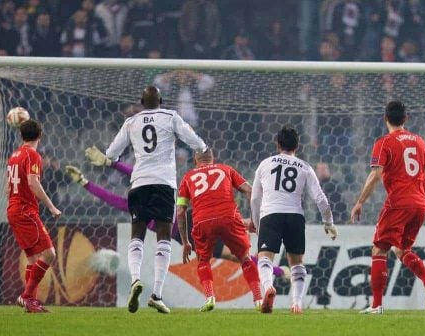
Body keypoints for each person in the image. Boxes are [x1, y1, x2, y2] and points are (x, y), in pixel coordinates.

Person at [64, 160, 291, 278]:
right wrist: (86, 182)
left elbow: (122, 188)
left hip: (189, 229)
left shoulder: (141, 202)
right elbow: (115, 195)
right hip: (191, 226)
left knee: (237, 253)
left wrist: (104, 168)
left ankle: (280, 269)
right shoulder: (149, 195)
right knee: (236, 244)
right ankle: (278, 266)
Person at [91, 86, 207, 314]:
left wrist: (109, 158)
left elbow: (112, 154)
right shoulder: (170, 116)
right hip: (164, 184)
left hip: (139, 182)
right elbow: (193, 140)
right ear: (161, 100)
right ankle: (156, 295)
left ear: (141, 101)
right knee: (164, 236)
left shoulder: (131, 122)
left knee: (138, 235)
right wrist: (203, 148)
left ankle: (135, 280)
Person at [350, 101, 425, 314]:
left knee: (379, 248)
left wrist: (360, 202)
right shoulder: (419, 141)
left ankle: (377, 306)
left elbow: (375, 175)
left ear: (385, 119)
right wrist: (418, 194)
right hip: (420, 205)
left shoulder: (384, 143)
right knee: (402, 249)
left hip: (398, 203)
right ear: (406, 118)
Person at [251, 126, 338, 314]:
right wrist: (328, 222)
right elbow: (320, 198)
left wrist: (257, 223)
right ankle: (297, 303)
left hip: (270, 215)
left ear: (277, 144)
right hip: (295, 216)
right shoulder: (305, 167)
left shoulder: (265, 164)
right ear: (297, 146)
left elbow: (255, 198)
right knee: (297, 263)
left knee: (264, 258)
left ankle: (268, 288)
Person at [176, 148, 262, 312]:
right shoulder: (226, 169)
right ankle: (258, 299)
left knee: (203, 260)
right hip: (229, 217)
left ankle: (210, 297)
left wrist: (186, 241)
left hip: (202, 221)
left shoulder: (188, 177)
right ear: (212, 158)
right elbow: (250, 190)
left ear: (195, 160)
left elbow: (180, 211)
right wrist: (253, 220)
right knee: (245, 258)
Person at [6, 119, 61, 313]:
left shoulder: (14, 155)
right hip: (25, 211)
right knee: (49, 254)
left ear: (21, 136)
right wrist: (52, 206)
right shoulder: (32, 155)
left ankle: (32, 303)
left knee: (32, 258)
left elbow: (7, 187)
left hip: (13, 209)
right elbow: (33, 182)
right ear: (40, 136)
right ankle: (27, 296)